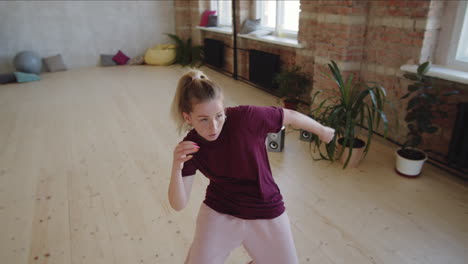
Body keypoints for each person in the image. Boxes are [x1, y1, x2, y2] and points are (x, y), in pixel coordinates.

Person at [168, 69, 335, 264]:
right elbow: (178, 204)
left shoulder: (245, 118)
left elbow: (289, 115)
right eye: (204, 119)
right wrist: (176, 167)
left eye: (219, 116)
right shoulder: (191, 146)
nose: (214, 127)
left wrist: (322, 130)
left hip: (265, 207)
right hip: (221, 209)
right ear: (188, 117)